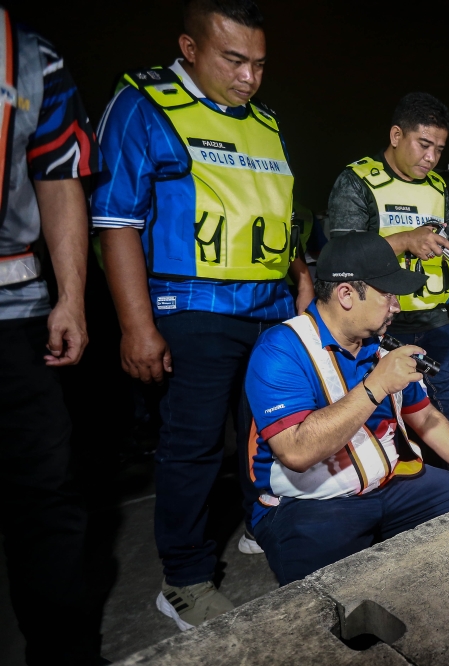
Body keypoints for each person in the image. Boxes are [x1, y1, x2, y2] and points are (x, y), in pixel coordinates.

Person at [92, 0, 313, 631]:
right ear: (190, 49)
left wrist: (299, 275)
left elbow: (271, 215)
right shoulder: (145, 102)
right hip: (192, 306)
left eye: (260, 64)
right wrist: (137, 325)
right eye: (234, 60)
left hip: (269, 308)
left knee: (270, 431)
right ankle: (184, 579)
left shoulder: (265, 123)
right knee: (190, 448)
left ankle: (261, 525)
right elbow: (116, 219)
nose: (249, 77)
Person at [244, 232, 449, 584]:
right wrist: (376, 384)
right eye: (388, 295)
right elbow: (295, 452)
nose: (397, 306)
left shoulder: (381, 344)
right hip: (310, 506)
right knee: (330, 602)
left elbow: (426, 417)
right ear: (346, 294)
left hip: (391, 485)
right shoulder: (280, 350)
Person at [0, 7, 104, 663]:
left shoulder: (32, 58)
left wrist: (71, 297)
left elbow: (59, 178)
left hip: (12, 309)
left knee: (44, 493)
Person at [326, 93, 449, 447]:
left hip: (433, 323)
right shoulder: (357, 181)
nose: (431, 158)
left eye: (439, 149)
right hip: (377, 329)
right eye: (424, 144)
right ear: (397, 135)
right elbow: (340, 258)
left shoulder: (436, 186)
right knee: (385, 423)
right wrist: (404, 240)